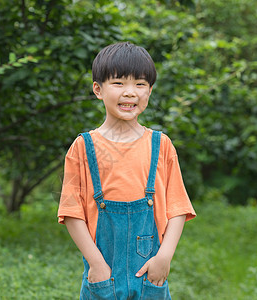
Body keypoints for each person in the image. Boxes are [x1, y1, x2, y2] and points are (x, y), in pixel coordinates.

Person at [57, 41, 196, 299]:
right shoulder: (83, 148)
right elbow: (71, 212)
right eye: (119, 83)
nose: (130, 92)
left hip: (148, 273)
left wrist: (164, 257)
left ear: (150, 91)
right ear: (98, 89)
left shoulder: (161, 146)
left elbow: (178, 208)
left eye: (140, 84)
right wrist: (96, 264)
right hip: (102, 272)